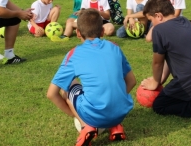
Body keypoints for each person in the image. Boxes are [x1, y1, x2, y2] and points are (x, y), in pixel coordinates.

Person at [47, 8, 136, 145]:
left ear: (77, 33)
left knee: (68, 85)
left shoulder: (74, 54)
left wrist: (75, 114)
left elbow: (51, 94)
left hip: (92, 115)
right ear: (102, 32)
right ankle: (115, 126)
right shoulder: (114, 47)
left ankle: (85, 127)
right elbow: (132, 81)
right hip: (121, 113)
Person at [141, 0, 191, 121]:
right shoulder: (185, 21)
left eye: (151, 21)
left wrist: (154, 82)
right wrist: (161, 80)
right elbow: (168, 58)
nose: (152, 25)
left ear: (158, 16)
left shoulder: (160, 30)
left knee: (160, 105)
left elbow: (158, 63)